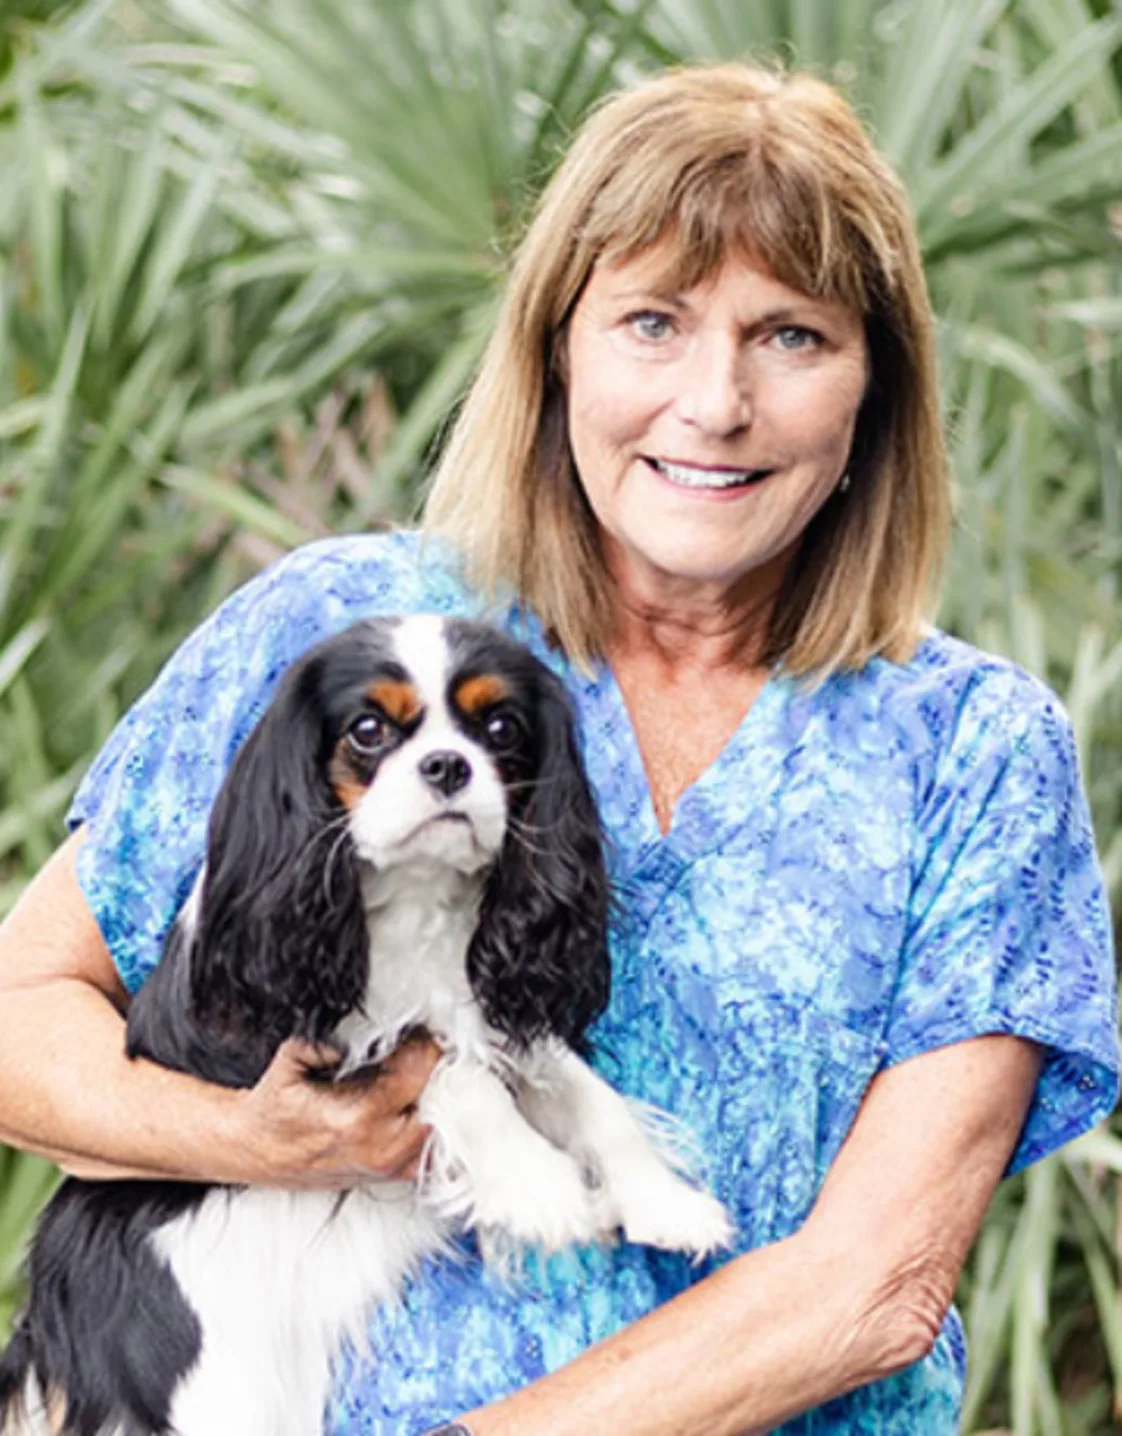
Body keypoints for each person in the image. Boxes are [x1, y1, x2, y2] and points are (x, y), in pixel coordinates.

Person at [0, 59, 1116, 1436]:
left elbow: (872, 1282)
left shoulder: (973, 749)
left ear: (872, 395)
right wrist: (261, 1141)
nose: (714, 403)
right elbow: (19, 1022)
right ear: (555, 351)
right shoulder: (334, 627)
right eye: (652, 321)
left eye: (790, 336)